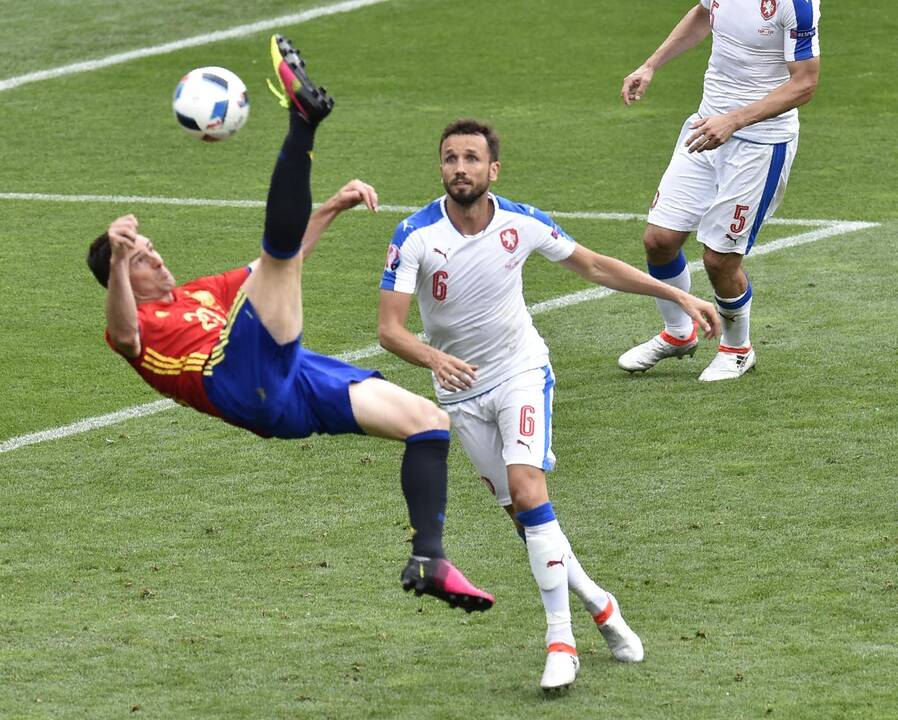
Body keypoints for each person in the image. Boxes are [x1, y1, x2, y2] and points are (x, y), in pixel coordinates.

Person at [86, 35, 494, 613]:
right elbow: (125, 335)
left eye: (150, 249)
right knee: (274, 264)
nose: (156, 257)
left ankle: (429, 557)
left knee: (426, 422)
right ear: (123, 277)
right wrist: (121, 261)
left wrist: (328, 208)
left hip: (289, 386)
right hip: (232, 379)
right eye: (142, 257)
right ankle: (302, 123)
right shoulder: (134, 322)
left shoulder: (200, 291)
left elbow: (281, 264)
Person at [377, 119, 721, 690]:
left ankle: (560, 641)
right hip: (459, 391)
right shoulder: (414, 235)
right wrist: (431, 359)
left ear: (493, 170)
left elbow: (594, 265)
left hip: (520, 372)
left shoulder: (521, 222)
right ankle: (600, 604)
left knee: (530, 490)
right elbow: (390, 329)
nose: (459, 168)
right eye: (449, 159)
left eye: (470, 158)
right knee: (525, 518)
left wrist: (677, 292)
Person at [617, 0, 821, 380]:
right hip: (705, 126)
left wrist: (735, 119)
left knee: (720, 260)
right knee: (659, 240)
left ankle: (738, 348)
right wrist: (650, 65)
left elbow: (805, 83)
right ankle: (679, 334)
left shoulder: (797, 5)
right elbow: (702, 13)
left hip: (760, 144)